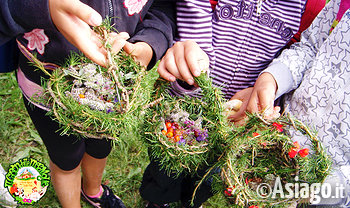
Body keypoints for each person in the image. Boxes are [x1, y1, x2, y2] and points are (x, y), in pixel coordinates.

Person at [140, 0, 326, 207]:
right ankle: (157, 200)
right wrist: (195, 75)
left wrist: (266, 92)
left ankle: (192, 200)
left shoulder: (310, 6)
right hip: (186, 108)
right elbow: (192, 21)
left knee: (209, 173)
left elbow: (295, 56)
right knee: (167, 164)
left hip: (237, 121)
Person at [0, 0, 175, 207]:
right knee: (66, 159)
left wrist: (149, 44)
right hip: (46, 89)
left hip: (112, 92)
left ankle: (93, 191)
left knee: (101, 145)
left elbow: (162, 8)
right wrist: (44, 7)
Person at [232, 0, 350, 206]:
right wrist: (272, 79)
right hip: (281, 139)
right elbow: (311, 47)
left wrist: (331, 188)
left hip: (330, 185)